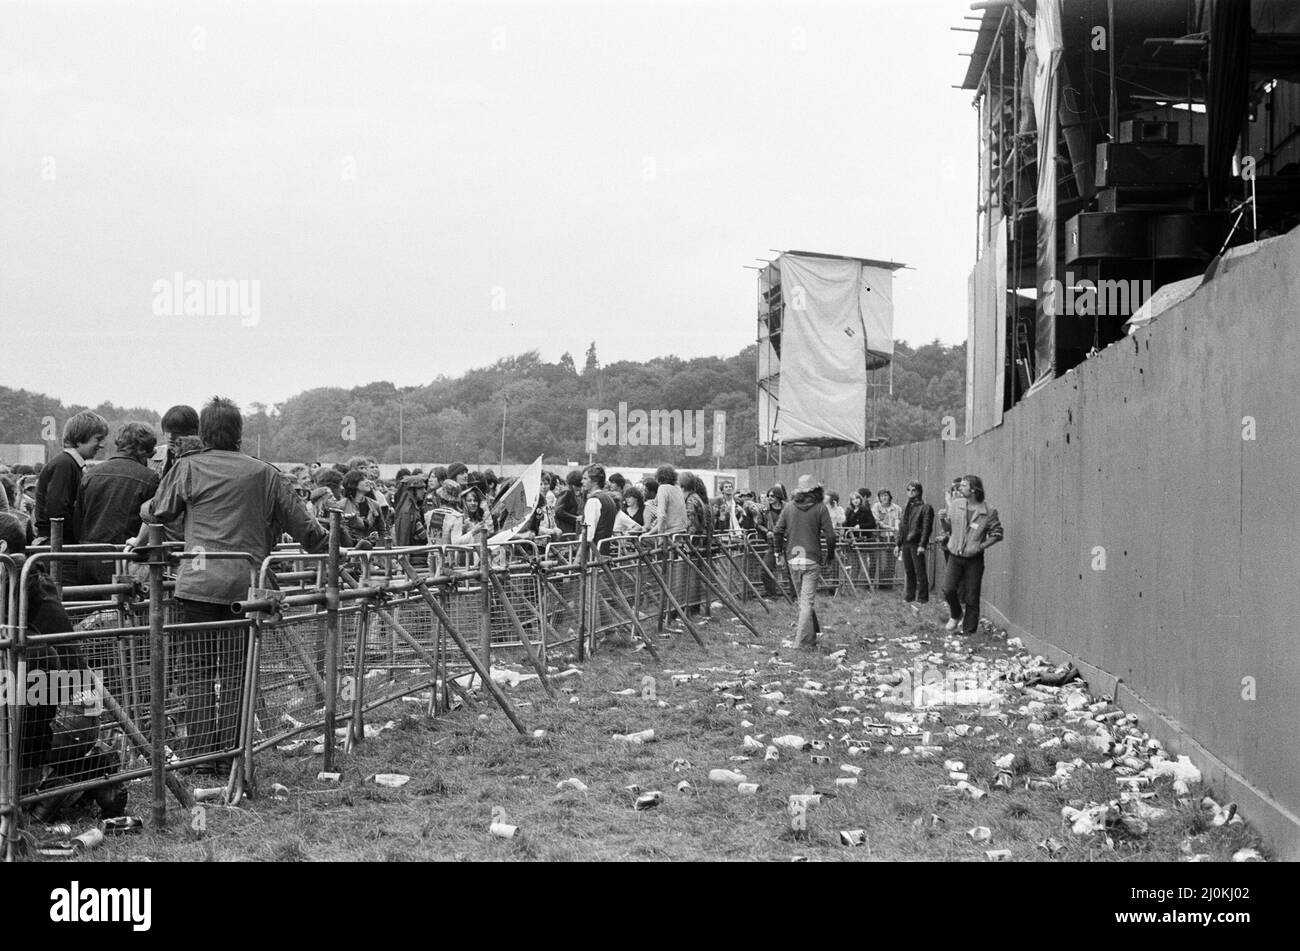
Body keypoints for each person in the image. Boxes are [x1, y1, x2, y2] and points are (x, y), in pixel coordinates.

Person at [139, 397, 337, 771]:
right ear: (239, 434)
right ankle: (230, 754)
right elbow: (308, 531)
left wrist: (144, 508)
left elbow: (159, 510)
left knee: (196, 673)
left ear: (203, 433)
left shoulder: (187, 468)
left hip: (196, 583)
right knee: (235, 673)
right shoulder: (265, 473)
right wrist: (340, 548)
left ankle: (199, 755)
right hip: (246, 588)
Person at [73, 421, 161, 584]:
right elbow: (152, 521)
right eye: (149, 453)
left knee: (88, 608)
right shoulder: (150, 478)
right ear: (142, 449)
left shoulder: (90, 474)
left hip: (86, 557)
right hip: (123, 558)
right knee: (122, 607)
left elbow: (78, 521)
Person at [773, 475, 835, 650]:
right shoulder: (820, 508)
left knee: (803, 599)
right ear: (816, 490)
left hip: (793, 557)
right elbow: (830, 536)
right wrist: (830, 556)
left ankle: (812, 635)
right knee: (806, 602)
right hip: (811, 558)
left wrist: (778, 552)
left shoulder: (789, 508)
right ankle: (800, 643)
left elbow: (777, 531)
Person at [940, 474, 1005, 635]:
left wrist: (979, 546)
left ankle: (968, 632)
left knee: (971, 596)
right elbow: (949, 528)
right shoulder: (956, 505)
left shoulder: (988, 511)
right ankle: (956, 614)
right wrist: (942, 519)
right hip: (955, 554)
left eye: (963, 486)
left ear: (973, 490)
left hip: (973, 559)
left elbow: (997, 534)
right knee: (948, 589)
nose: (959, 488)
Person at [34, 411, 110, 547]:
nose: (102, 445)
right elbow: (57, 510)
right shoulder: (65, 465)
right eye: (98, 439)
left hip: (60, 542)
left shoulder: (70, 464)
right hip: (58, 544)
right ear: (81, 437)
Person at [897, 480, 934, 608]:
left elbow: (926, 528)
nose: (911, 492)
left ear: (919, 491)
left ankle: (923, 598)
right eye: (908, 490)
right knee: (909, 571)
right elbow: (902, 527)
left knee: (920, 571)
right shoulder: (907, 507)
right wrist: (898, 544)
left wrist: (922, 544)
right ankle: (910, 597)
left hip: (916, 542)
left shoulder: (925, 508)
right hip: (906, 542)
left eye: (913, 490)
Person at [756, 484, 787, 597]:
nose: (769, 497)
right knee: (765, 570)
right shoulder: (764, 510)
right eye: (768, 495)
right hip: (773, 545)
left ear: (778, 496)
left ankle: (795, 596)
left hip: (788, 543)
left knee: (793, 571)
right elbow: (758, 524)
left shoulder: (788, 508)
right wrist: (766, 531)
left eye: (772, 496)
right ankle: (772, 595)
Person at [159, 404, 199, 476]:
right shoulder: (155, 457)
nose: (170, 437)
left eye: (176, 433)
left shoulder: (202, 461)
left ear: (192, 433)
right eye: (167, 432)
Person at [554, 469, 583, 537]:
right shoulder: (567, 492)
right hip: (564, 527)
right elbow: (558, 510)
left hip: (569, 527)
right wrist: (575, 518)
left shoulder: (571, 492)